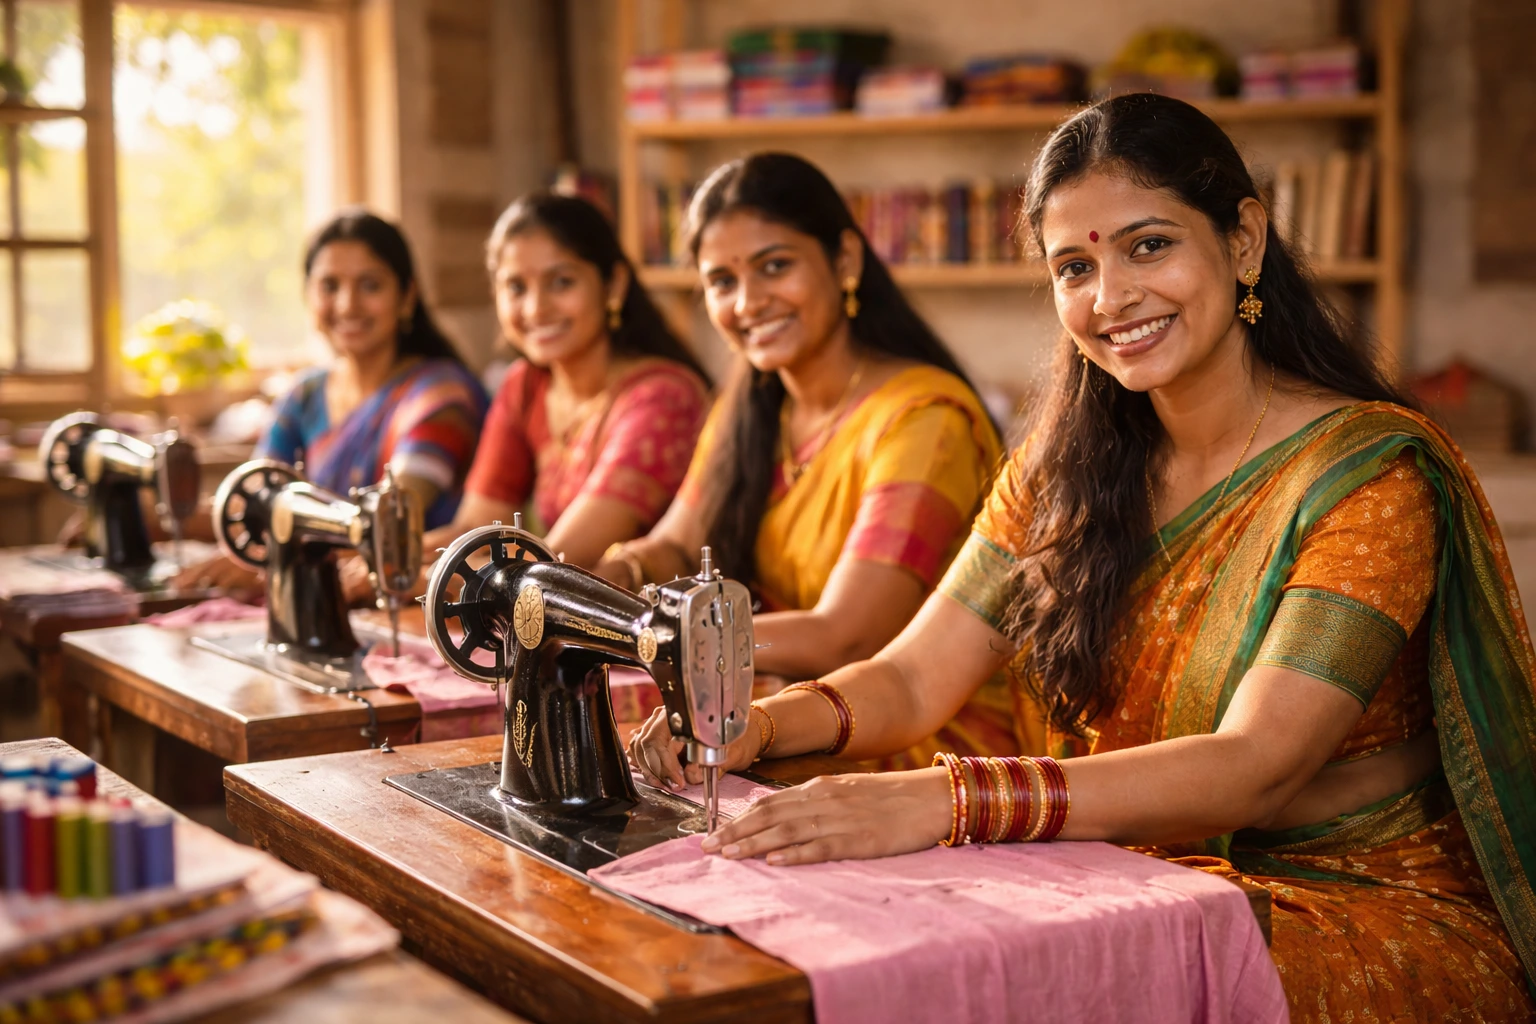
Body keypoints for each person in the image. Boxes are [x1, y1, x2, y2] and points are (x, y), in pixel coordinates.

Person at [629, 95, 1536, 1021]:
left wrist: (944, 801)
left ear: (1246, 241)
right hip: (1126, 873)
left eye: (1149, 246)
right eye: (1075, 266)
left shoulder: (1367, 478)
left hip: (1357, 910)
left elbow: (1256, 762)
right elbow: (909, 679)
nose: (1111, 299)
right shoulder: (1064, 470)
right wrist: (756, 728)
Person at [600, 153, 1032, 767]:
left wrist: (683, 638)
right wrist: (622, 571)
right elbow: (673, 545)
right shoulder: (749, 407)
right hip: (789, 703)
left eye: (774, 266)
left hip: (920, 739)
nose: (748, 302)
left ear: (845, 260)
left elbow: (849, 634)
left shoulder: (925, 422)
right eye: (722, 281)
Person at [178, 209, 487, 600]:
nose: (347, 304)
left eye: (370, 286)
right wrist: (159, 520)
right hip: (334, 599)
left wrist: (274, 558)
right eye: (329, 286)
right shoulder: (304, 395)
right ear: (309, 295)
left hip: (415, 606)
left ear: (406, 298)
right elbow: (255, 506)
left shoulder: (440, 395)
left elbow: (394, 517)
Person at [421, 193, 710, 569]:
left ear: (614, 286)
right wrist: (402, 567)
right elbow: (477, 529)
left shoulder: (663, 399)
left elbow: (555, 561)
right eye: (516, 287)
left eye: (561, 282)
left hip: (642, 621)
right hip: (547, 615)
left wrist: (434, 581)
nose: (536, 308)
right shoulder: (525, 386)